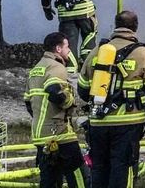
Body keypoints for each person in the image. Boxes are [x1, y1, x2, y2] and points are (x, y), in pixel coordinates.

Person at [78, 11, 145, 188]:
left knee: (99, 168)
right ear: (135, 27)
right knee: (122, 167)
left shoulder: (96, 52)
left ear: (116, 26)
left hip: (98, 123)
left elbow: (83, 91)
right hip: (129, 123)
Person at [24, 32, 89, 188]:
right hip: (60, 133)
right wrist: (70, 103)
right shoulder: (56, 66)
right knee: (79, 177)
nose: (69, 50)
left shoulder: (36, 69)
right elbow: (54, 90)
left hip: (40, 135)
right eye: (67, 47)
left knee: (50, 180)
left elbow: (28, 102)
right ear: (58, 49)